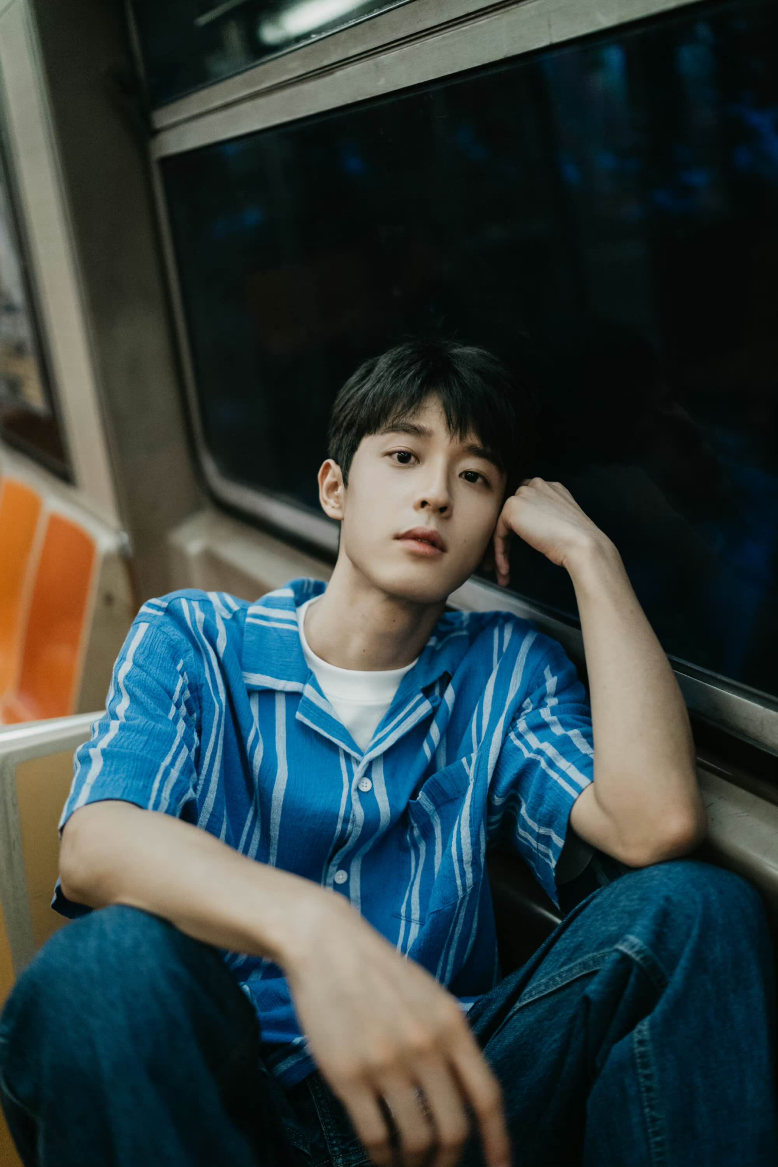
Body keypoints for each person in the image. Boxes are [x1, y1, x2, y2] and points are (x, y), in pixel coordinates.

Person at [0, 338, 775, 1167]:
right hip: (231, 1104)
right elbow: (97, 843)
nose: (435, 493)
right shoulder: (195, 638)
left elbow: (653, 822)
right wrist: (310, 928)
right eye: (404, 456)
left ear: (496, 525)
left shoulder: (504, 669)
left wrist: (593, 557)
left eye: (474, 477)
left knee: (696, 906)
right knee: (104, 968)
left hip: (443, 1102)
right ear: (335, 488)